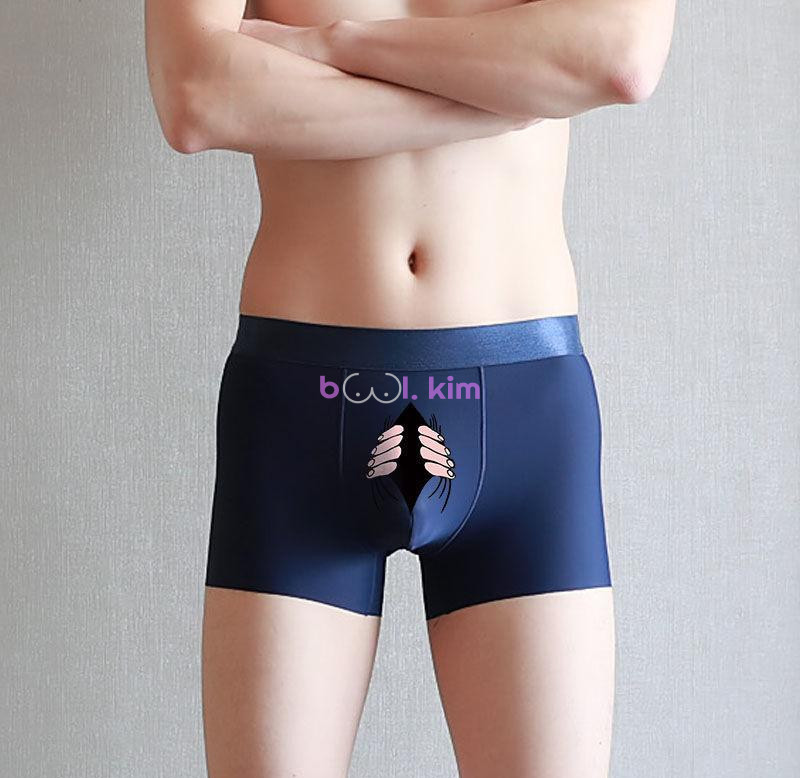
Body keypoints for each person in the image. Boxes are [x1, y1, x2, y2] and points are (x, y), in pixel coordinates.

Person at [145, 1, 675, 775]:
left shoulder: (331, 42)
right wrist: (497, 99)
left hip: (520, 406)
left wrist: (332, 45)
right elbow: (197, 96)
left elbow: (620, 58)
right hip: (299, 400)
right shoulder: (501, 105)